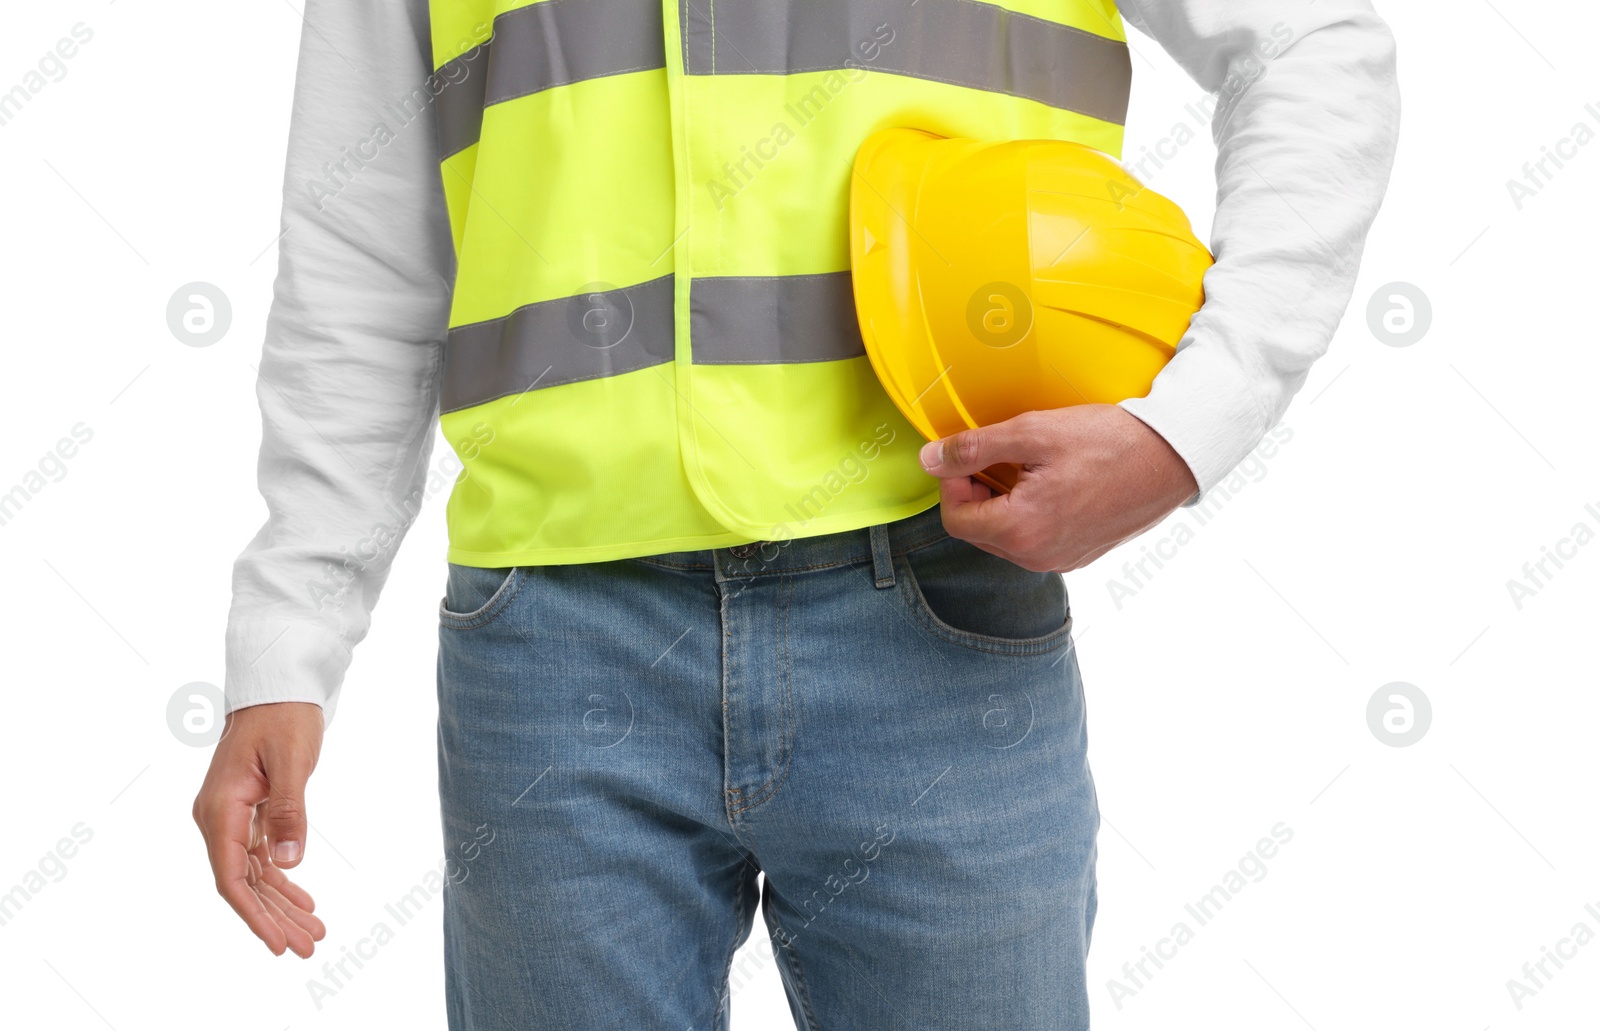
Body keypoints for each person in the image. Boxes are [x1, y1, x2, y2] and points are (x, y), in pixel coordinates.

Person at [192, 1, 1399, 1027]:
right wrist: (285, 640)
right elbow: (361, 249)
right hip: (552, 643)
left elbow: (1310, 42)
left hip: (938, 607)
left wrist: (1184, 429)